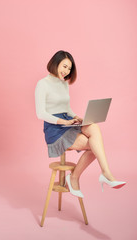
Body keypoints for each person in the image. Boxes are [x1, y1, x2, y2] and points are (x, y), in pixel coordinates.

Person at [35, 50, 126, 198]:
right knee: (93, 146)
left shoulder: (64, 85)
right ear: (55, 63)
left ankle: (104, 173)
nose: (66, 71)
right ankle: (76, 178)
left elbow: (67, 108)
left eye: (69, 68)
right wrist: (63, 121)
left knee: (94, 127)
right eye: (64, 66)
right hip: (54, 128)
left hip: (68, 122)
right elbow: (41, 113)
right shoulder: (42, 84)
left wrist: (77, 117)